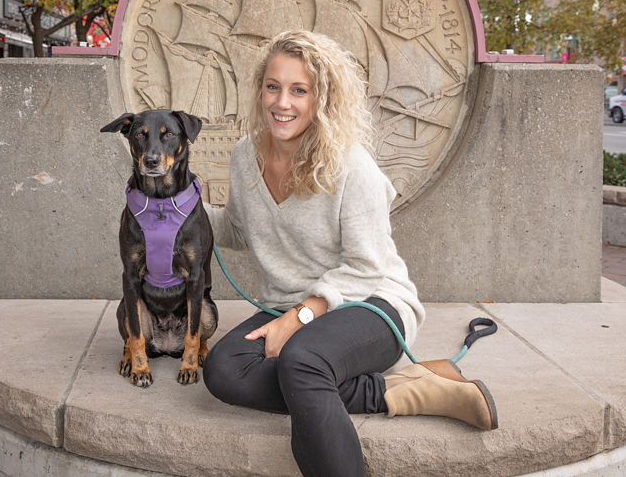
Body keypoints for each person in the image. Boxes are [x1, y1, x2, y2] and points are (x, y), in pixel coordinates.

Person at [202, 30, 498, 477]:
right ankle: (404, 390)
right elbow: (240, 231)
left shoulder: (350, 165)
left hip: (371, 302)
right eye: (273, 86)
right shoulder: (246, 154)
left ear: (322, 98)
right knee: (223, 371)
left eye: (299, 90)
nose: (282, 102)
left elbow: (365, 267)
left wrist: (297, 319)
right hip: (290, 303)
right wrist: (180, 210)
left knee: (302, 362)